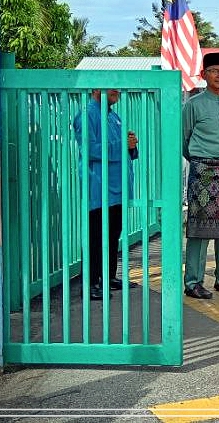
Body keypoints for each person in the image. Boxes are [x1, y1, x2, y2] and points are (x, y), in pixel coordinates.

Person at [181, 52, 219, 299]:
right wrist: (200, 160)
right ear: (204, 75)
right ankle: (193, 281)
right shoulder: (192, 105)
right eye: (213, 71)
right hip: (203, 171)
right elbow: (183, 140)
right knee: (199, 229)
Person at [72, 89, 141, 300]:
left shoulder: (113, 114)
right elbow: (90, 149)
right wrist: (123, 145)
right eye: (112, 87)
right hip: (99, 187)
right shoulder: (86, 115)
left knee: (112, 235)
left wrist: (130, 145)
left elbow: (121, 149)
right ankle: (91, 283)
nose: (117, 91)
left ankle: (108, 277)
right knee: (96, 236)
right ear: (95, 89)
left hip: (116, 188)